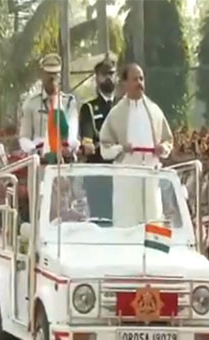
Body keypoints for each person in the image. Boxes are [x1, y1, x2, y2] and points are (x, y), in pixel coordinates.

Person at [99, 63, 173, 227]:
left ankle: (155, 253)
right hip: (126, 177)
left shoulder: (155, 111)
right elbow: (105, 147)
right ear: (125, 84)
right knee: (127, 221)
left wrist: (163, 149)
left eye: (141, 78)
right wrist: (121, 148)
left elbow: (169, 140)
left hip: (152, 177)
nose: (139, 83)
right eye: (135, 79)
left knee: (154, 221)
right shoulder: (116, 113)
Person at [19, 53, 79, 162]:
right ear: (42, 75)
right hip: (41, 163)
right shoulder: (30, 103)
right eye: (49, 73)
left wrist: (67, 146)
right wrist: (35, 149)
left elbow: (72, 132)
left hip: (64, 162)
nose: (52, 78)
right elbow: (24, 138)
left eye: (55, 73)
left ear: (60, 75)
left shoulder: (69, 102)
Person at [78, 55, 117, 220]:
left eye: (112, 73)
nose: (108, 77)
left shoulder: (124, 105)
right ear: (97, 78)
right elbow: (88, 143)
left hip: (124, 174)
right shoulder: (89, 109)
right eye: (104, 74)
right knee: (102, 222)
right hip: (99, 174)